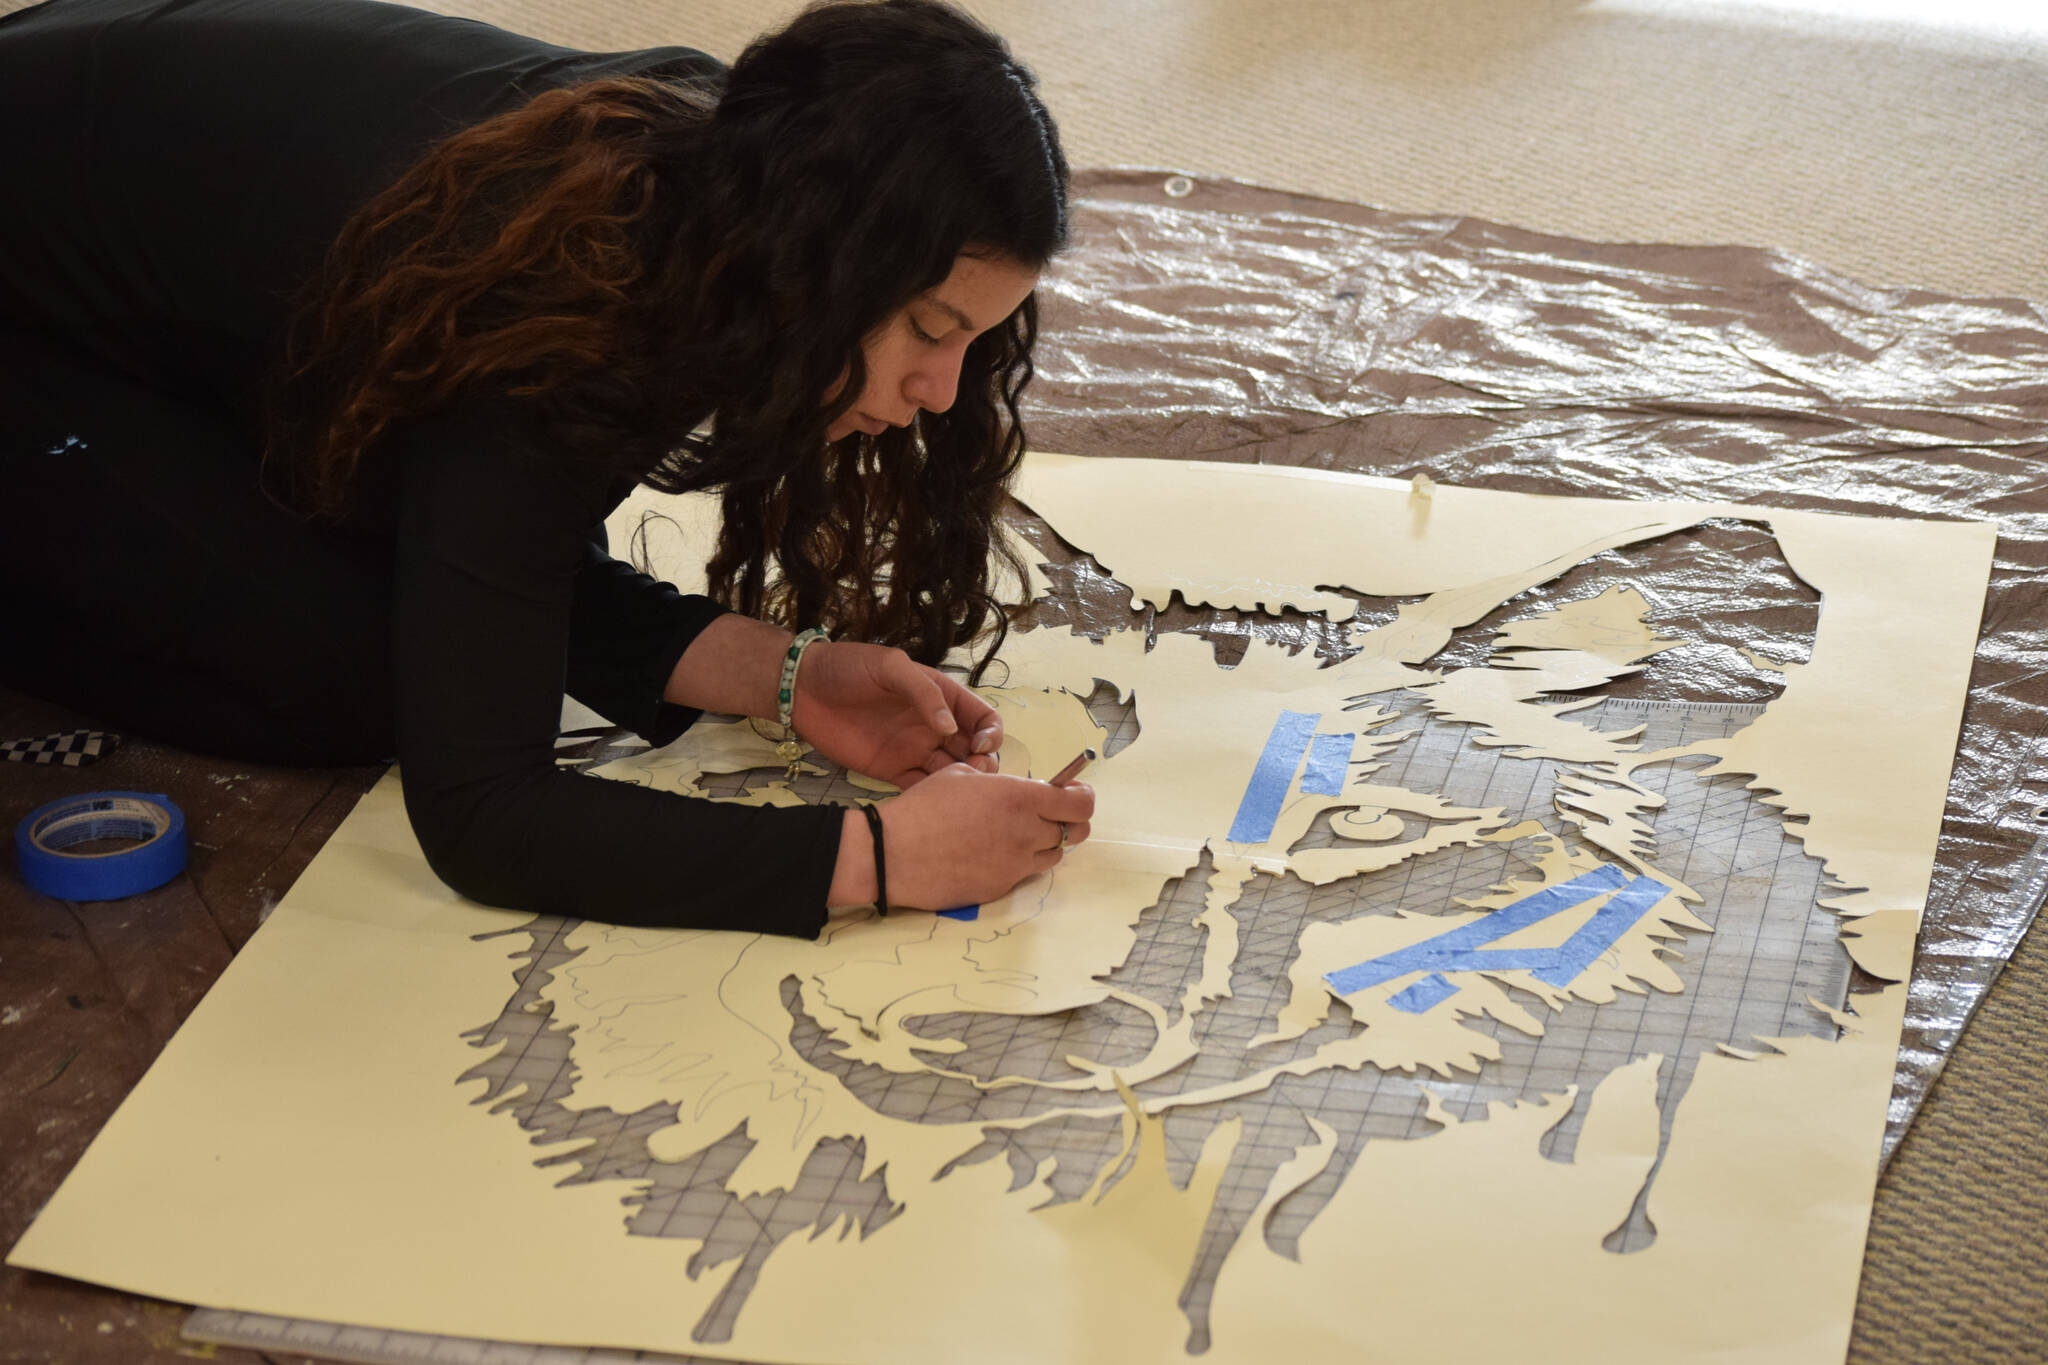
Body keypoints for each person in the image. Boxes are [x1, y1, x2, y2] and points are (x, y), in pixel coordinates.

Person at [0, 0, 1095, 936]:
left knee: (425, 594)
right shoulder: (559, 301)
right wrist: (873, 859)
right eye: (926, 328)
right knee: (343, 676)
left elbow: (503, 552)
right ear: (820, 261)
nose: (943, 395)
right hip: (35, 296)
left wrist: (781, 672)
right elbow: (483, 815)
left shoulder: (739, 184)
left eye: (973, 343)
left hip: (86, 148)